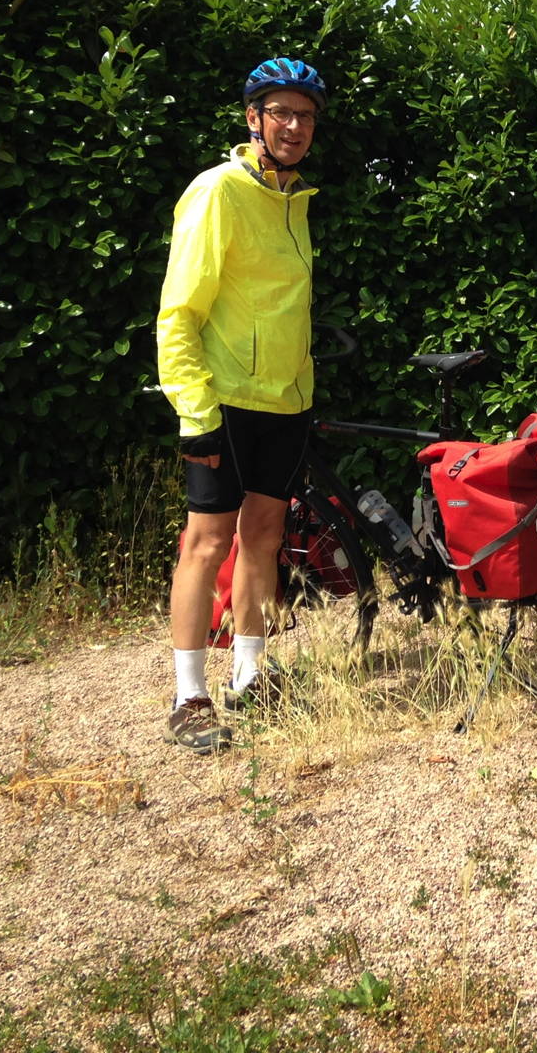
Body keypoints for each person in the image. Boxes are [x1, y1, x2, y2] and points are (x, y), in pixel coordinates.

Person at [155, 57, 325, 752]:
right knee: (205, 544)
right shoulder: (217, 192)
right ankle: (189, 695)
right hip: (222, 402)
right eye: (280, 112)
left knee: (263, 538)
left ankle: (249, 677)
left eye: (305, 115)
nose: (293, 126)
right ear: (252, 118)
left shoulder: (295, 202)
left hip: (285, 402)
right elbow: (178, 312)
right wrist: (194, 409)